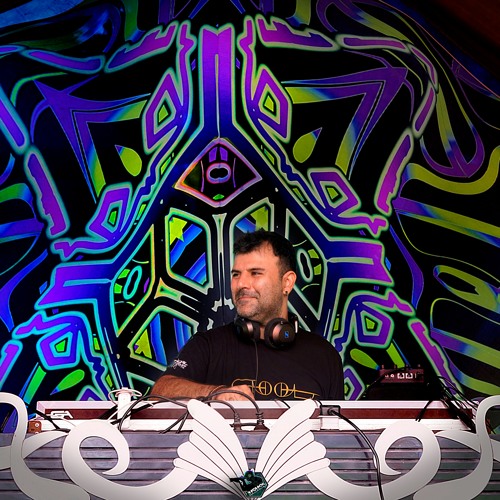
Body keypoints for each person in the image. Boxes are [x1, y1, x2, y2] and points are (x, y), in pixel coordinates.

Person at [152, 229, 344, 401]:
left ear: (287, 282)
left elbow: (339, 426)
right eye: (236, 274)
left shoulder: (325, 357)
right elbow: (160, 391)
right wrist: (215, 393)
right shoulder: (208, 345)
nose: (241, 284)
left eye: (255, 273)